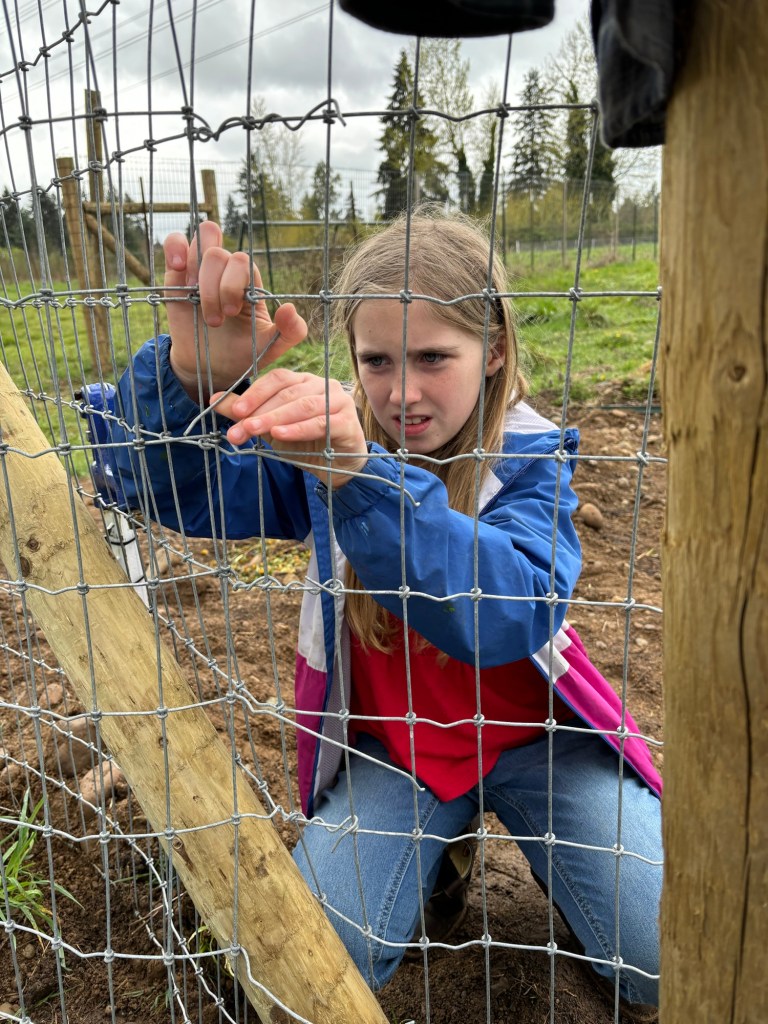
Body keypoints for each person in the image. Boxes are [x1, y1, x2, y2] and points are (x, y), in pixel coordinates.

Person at [106, 211, 662, 1020]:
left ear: (493, 349)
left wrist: (363, 480)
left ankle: (575, 880)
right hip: (397, 750)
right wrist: (191, 385)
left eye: (433, 357)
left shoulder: (531, 460)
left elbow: (506, 613)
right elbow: (177, 493)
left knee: (664, 955)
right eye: (377, 360)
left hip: (541, 740)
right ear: (353, 356)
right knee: (303, 969)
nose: (402, 393)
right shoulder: (323, 447)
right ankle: (439, 860)